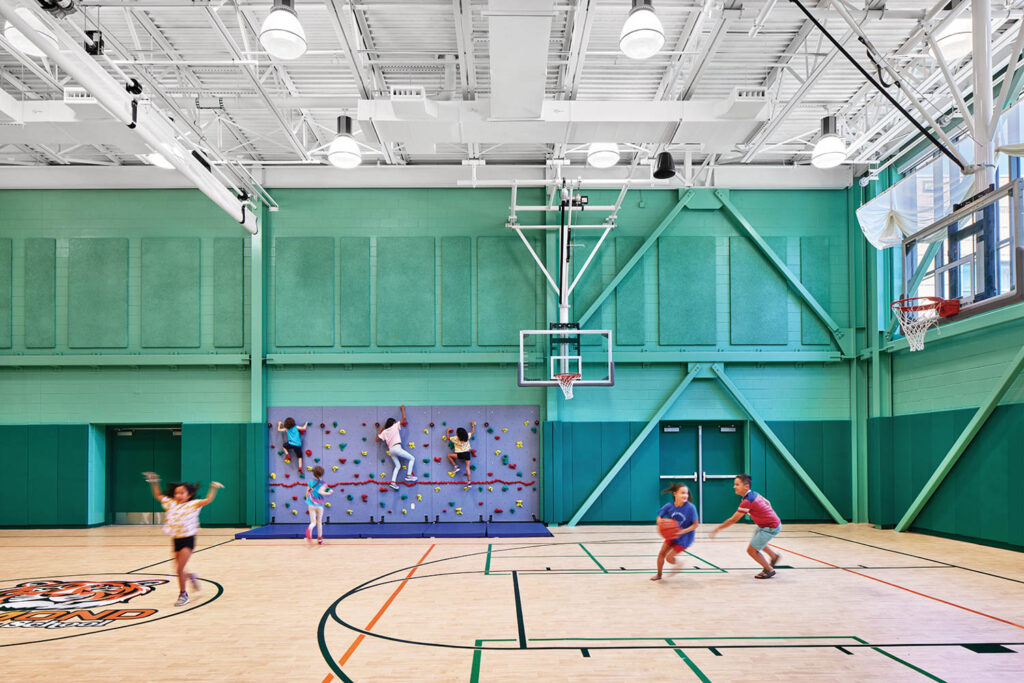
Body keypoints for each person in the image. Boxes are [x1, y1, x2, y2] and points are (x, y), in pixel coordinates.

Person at [143, 472, 223, 606]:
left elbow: (208, 500)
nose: (178, 495)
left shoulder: (193, 504)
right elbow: (157, 495)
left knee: (179, 569)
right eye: (176, 493)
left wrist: (213, 487)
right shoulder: (170, 503)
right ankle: (191, 577)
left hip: (188, 540)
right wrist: (154, 481)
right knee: (180, 569)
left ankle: (183, 595)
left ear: (189, 495)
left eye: (181, 493)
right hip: (176, 540)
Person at [709, 474, 782, 579]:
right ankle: (774, 556)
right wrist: (769, 514)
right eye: (734, 484)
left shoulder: (747, 501)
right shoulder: (753, 494)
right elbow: (768, 502)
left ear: (746, 486)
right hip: (766, 525)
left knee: (752, 550)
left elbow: (733, 519)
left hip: (770, 527)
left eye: (737, 484)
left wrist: (717, 529)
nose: (734, 486)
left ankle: (768, 569)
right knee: (757, 543)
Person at [651, 483, 699, 581]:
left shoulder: (690, 508)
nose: (685, 495)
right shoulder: (669, 506)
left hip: (685, 538)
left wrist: (682, 531)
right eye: (682, 493)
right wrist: (659, 520)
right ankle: (659, 575)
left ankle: (678, 564)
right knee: (661, 554)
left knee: (669, 558)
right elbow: (659, 515)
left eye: (686, 493)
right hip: (672, 535)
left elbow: (695, 525)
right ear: (675, 494)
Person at [377, 404, 416, 490]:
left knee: (397, 466)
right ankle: (409, 475)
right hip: (397, 448)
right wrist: (402, 409)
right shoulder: (394, 426)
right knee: (412, 458)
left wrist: (380, 430)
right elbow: (404, 418)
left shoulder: (385, 432)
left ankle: (393, 482)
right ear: (393, 423)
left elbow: (377, 439)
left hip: (391, 450)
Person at [305, 465, 333, 545]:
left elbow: (307, 492)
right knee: (319, 522)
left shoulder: (310, 482)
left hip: (311, 504)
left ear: (313, 473)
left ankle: (310, 529)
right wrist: (329, 492)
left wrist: (308, 500)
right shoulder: (323, 483)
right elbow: (322, 492)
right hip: (319, 505)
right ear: (322, 473)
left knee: (313, 522)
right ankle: (320, 539)